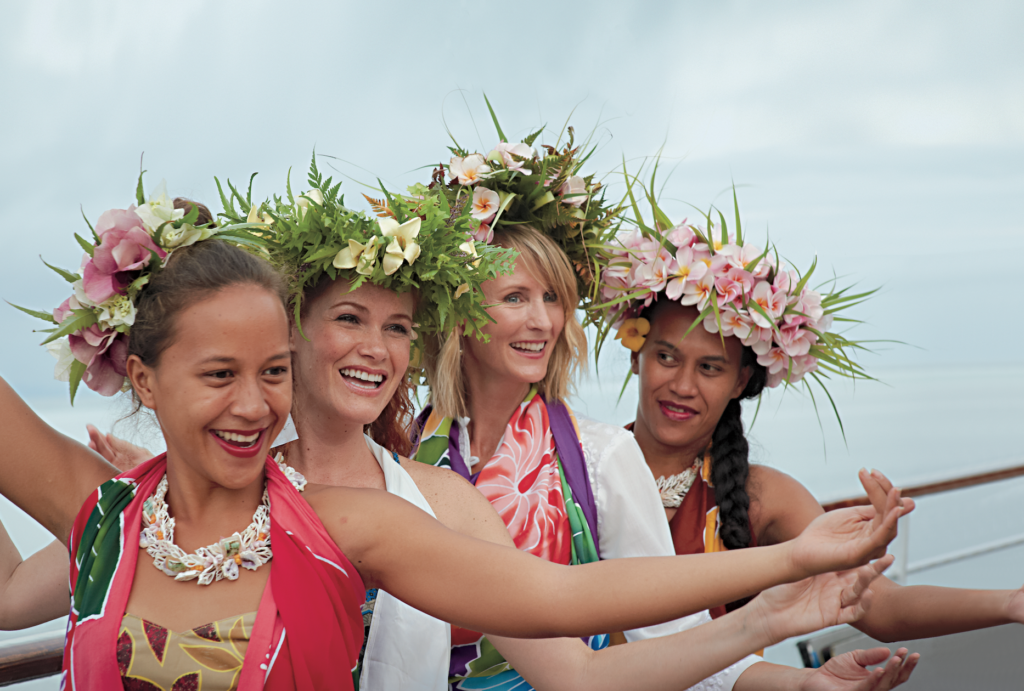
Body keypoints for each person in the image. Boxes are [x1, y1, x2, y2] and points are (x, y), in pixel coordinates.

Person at [1, 174, 908, 691]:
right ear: (150, 380)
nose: (251, 402)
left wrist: (780, 584)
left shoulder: (381, 513)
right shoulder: (119, 513)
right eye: (219, 375)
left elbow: (570, 609)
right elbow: (11, 601)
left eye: (398, 326)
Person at [413, 121, 917, 690]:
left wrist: (799, 684)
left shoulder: (601, 459)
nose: (544, 320)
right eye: (515, 297)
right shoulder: (405, 449)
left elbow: (676, 639)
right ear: (459, 313)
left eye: (553, 297)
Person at [596, 182, 1024, 647]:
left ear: (740, 382)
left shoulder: (765, 495)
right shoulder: (579, 468)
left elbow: (877, 604)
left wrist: (1008, 603)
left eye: (710, 368)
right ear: (636, 353)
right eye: (666, 357)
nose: (682, 385)